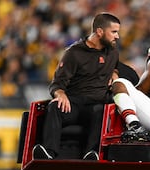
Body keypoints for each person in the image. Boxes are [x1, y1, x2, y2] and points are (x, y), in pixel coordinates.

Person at [32, 12, 121, 161]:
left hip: (97, 106)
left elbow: (117, 67)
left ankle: (91, 154)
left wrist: (114, 73)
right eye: (114, 32)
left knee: (102, 110)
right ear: (99, 32)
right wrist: (60, 94)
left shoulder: (113, 52)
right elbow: (57, 84)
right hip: (74, 104)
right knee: (54, 107)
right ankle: (48, 153)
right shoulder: (74, 53)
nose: (117, 36)